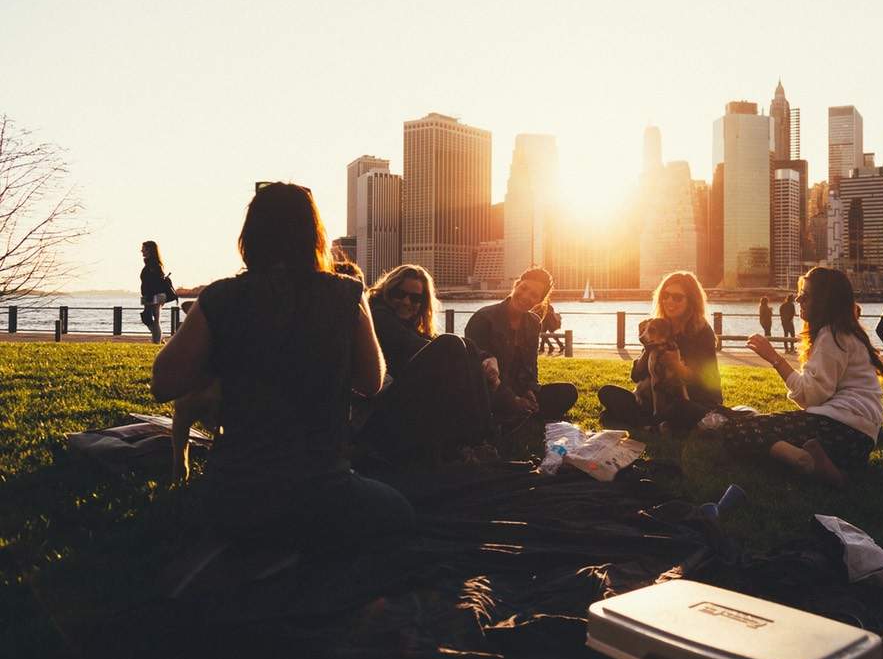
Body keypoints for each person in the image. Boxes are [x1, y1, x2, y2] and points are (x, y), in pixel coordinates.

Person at [151, 183, 413, 548]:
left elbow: (163, 383)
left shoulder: (220, 297)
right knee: (400, 511)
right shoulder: (347, 293)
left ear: (250, 236)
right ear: (315, 236)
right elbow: (372, 382)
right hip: (322, 490)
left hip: (236, 493)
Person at [719, 267, 883, 487]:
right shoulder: (846, 334)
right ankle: (826, 466)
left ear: (824, 301)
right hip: (860, 442)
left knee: (738, 430)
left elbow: (810, 397)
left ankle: (802, 461)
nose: (798, 299)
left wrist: (775, 359)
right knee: (761, 429)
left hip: (839, 429)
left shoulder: (831, 336)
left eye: (805, 295)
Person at [361, 264, 499, 464]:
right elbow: (416, 345)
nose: (406, 302)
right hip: (380, 413)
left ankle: (479, 440)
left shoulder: (409, 326)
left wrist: (488, 358)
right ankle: (477, 440)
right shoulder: (379, 316)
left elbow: (441, 343)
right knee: (452, 344)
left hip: (402, 407)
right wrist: (468, 358)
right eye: (400, 294)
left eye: (415, 298)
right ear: (387, 291)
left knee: (463, 345)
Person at [597, 271, 724, 430]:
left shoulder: (702, 332)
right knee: (607, 392)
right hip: (657, 399)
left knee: (680, 408)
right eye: (665, 295)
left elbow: (707, 382)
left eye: (677, 297)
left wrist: (678, 367)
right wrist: (647, 349)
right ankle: (655, 424)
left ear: (691, 301)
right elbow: (636, 376)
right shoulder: (657, 327)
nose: (669, 301)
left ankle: (646, 423)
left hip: (693, 400)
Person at [465, 267, 578, 422]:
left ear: (539, 301)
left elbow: (532, 365)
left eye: (533, 295)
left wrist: (530, 390)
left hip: (518, 388)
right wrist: (514, 401)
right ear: (516, 285)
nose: (525, 296)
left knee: (568, 392)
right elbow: (484, 374)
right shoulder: (484, 318)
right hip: (490, 390)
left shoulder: (533, 322)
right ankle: (516, 414)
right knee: (490, 402)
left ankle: (522, 413)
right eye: (524, 288)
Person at [140, 240, 168, 344]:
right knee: (147, 318)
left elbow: (155, 282)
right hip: (149, 295)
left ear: (149, 250)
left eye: (143, 249)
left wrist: (150, 296)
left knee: (155, 318)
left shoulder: (154, 264)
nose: (141, 251)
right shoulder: (149, 264)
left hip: (155, 295)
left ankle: (156, 341)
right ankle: (159, 337)